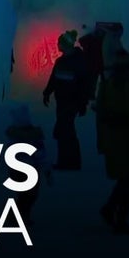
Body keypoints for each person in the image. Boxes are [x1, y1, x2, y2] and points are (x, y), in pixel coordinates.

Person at [96, 27, 129, 235]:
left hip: (112, 140)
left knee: (124, 180)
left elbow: (100, 115)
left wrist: (101, 142)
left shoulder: (106, 85)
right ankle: (119, 218)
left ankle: (110, 209)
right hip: (126, 141)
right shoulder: (127, 87)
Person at [42, 30, 89, 170]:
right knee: (64, 130)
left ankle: (71, 161)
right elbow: (54, 79)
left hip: (72, 102)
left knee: (66, 130)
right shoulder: (61, 61)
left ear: (66, 45)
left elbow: (84, 84)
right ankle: (67, 160)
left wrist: (82, 103)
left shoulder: (78, 62)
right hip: (62, 101)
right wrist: (47, 92)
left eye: (60, 43)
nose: (57, 45)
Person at [4, 103, 52, 227]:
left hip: (17, 171)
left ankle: (18, 217)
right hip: (31, 171)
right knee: (30, 196)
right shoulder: (35, 137)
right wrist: (47, 171)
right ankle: (21, 217)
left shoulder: (13, 137)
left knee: (23, 196)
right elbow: (41, 155)